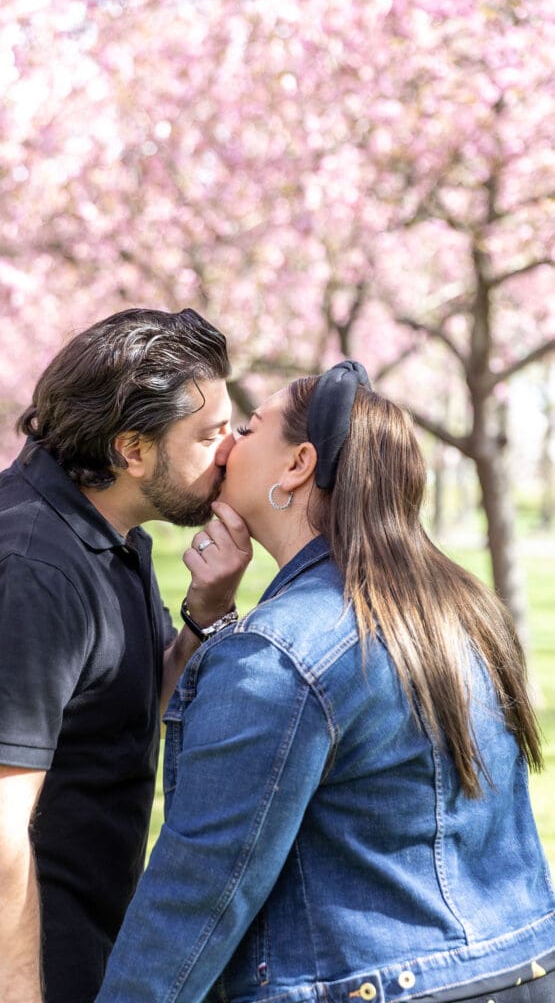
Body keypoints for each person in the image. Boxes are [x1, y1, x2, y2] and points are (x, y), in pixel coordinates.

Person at [95, 360, 555, 1003]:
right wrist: (212, 616)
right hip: (521, 967)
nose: (226, 446)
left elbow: (202, 885)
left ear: (297, 464)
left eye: (249, 429)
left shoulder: (283, 651)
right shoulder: (458, 608)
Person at [0, 307, 252, 1003]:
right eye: (209, 434)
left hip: (72, 950)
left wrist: (202, 614)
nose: (230, 448)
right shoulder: (27, 572)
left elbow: (120, 711)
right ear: (132, 451)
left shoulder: (110, 535)